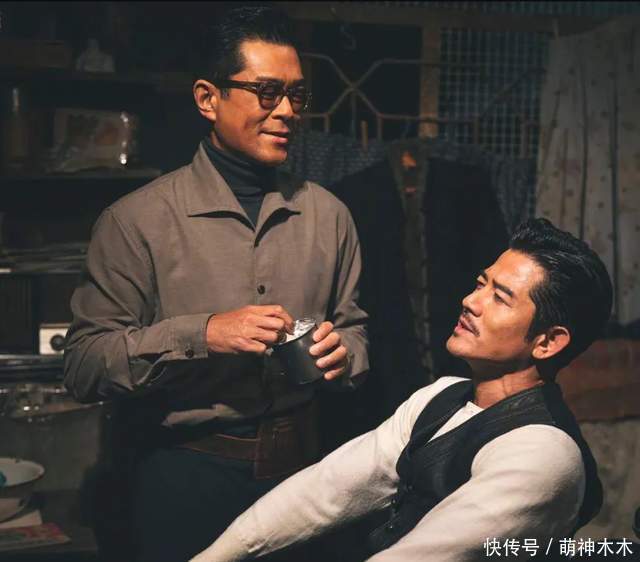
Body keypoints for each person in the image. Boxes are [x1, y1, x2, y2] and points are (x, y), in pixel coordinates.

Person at [63, 6, 368, 562]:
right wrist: (203, 334)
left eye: (296, 95)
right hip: (184, 475)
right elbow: (84, 365)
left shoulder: (329, 216)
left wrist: (342, 353)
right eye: (267, 92)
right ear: (208, 99)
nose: (286, 112)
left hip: (305, 473)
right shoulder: (137, 221)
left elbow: (355, 330)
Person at [191, 218, 612, 562]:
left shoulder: (542, 454)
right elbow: (327, 489)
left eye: (500, 298)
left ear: (548, 342)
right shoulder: (442, 396)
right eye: (480, 283)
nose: (471, 301)